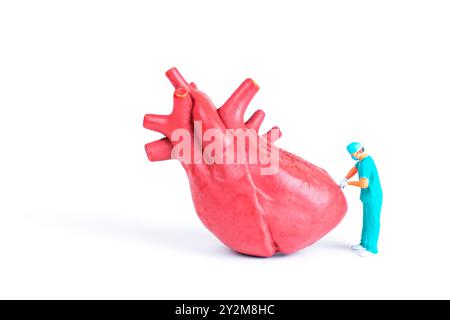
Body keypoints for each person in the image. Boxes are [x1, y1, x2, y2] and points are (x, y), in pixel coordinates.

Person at [340, 142, 383, 257]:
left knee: (372, 222)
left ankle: (372, 249)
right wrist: (345, 178)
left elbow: (364, 184)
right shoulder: (361, 161)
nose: (351, 156)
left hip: (374, 197)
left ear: (359, 151)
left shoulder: (366, 164)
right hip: (367, 197)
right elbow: (354, 169)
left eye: (352, 154)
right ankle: (364, 244)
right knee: (366, 221)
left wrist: (348, 183)